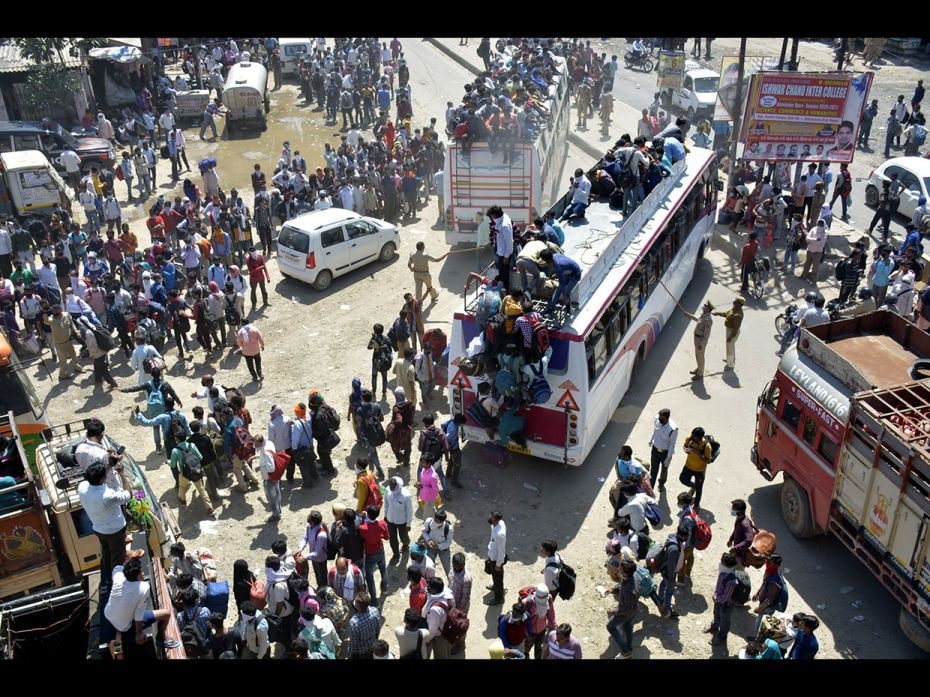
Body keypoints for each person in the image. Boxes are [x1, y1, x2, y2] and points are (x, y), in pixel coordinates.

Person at [76, 438, 132, 583]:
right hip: (114, 531)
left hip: (99, 529)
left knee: (106, 554)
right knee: (117, 559)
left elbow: (96, 477)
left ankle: (107, 578)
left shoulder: (82, 487)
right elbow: (128, 495)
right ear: (102, 478)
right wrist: (122, 474)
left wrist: (109, 465)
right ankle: (118, 583)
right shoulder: (107, 496)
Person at [104, 553, 173, 657]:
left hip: (109, 615)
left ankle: (118, 653)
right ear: (137, 575)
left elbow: (120, 567)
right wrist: (139, 633)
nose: (143, 572)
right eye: (141, 572)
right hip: (125, 625)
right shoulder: (143, 587)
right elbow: (138, 615)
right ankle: (162, 636)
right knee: (166, 613)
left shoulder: (117, 572)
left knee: (117, 635)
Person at [705, 552, 740, 647]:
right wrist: (716, 594)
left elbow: (726, 597)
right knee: (716, 614)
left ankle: (722, 636)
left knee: (724, 621)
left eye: (722, 561)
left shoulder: (731, 580)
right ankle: (714, 626)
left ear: (727, 565)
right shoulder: (723, 572)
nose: (720, 563)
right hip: (719, 600)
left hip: (726, 604)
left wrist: (716, 598)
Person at [606, 559, 638, 659]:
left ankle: (626, 651)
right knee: (627, 626)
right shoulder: (631, 577)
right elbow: (622, 584)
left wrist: (613, 611)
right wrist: (613, 589)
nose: (618, 568)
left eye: (620, 568)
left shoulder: (629, 590)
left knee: (610, 627)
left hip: (626, 612)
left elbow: (625, 609)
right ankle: (629, 647)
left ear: (625, 572)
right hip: (633, 609)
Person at [359, 505, 389, 606]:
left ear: (367, 514)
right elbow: (386, 537)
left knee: (369, 577)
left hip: (370, 554)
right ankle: (384, 587)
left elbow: (362, 534)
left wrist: (363, 519)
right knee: (383, 569)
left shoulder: (363, 528)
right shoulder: (382, 523)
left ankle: (374, 600)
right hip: (380, 550)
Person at [540, 248, 582, 316]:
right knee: (558, 291)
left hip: (575, 275)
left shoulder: (558, 267)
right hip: (567, 271)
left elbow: (562, 284)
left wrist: (565, 297)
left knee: (566, 291)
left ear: (547, 260)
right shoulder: (555, 255)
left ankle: (568, 308)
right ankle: (551, 309)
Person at [680, 427, 713, 509]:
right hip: (688, 466)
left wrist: (699, 454)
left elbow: (708, 461)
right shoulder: (690, 438)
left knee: (699, 489)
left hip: (700, 470)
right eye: (693, 435)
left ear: (701, 437)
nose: (693, 438)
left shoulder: (707, 446)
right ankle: (693, 486)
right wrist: (686, 449)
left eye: (695, 437)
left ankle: (696, 505)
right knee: (683, 480)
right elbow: (684, 446)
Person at [753, 553, 787, 632]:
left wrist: (760, 608)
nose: (767, 563)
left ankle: (757, 638)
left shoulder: (774, 582)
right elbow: (764, 583)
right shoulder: (769, 572)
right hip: (763, 603)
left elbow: (770, 599)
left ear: (776, 565)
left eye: (769, 562)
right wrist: (757, 593)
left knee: (762, 623)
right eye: (767, 561)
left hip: (768, 606)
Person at [712, 297, 745, 372]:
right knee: (730, 346)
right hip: (729, 330)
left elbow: (736, 328)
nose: (734, 302)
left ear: (739, 304)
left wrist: (731, 337)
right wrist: (718, 313)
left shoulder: (738, 315)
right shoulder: (734, 309)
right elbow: (726, 314)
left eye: (736, 301)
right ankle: (729, 359)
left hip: (732, 331)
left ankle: (730, 364)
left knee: (730, 347)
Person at [384, 476, 413, 559]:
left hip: (402, 521)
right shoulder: (387, 490)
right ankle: (396, 554)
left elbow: (409, 511)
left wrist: (408, 524)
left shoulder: (406, 496)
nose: (391, 488)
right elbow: (386, 503)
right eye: (390, 485)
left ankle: (405, 545)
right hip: (390, 519)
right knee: (392, 539)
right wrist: (386, 515)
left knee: (403, 536)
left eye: (393, 486)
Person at [684, 300, 714, 381]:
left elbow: (707, 334)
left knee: (700, 356)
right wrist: (689, 315)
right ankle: (699, 368)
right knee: (697, 355)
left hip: (700, 340)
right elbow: (697, 319)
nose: (704, 306)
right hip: (697, 338)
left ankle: (700, 374)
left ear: (708, 309)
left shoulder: (708, 319)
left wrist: (702, 344)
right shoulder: (704, 315)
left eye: (705, 305)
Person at [255, 434, 281, 521]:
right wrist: (255, 456)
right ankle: (279, 510)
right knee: (277, 493)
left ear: (260, 442)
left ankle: (275, 515)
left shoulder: (266, 452)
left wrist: (260, 468)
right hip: (275, 476)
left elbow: (271, 468)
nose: (255, 445)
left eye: (256, 443)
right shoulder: (269, 443)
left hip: (270, 478)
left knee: (271, 497)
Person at [348, 591, 381, 659]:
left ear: (357, 607)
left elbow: (353, 643)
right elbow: (378, 629)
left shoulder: (354, 622)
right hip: (372, 645)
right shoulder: (375, 611)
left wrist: (350, 655)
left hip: (361, 651)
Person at [422, 508, 453, 577]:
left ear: (442, 521)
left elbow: (448, 542)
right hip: (430, 548)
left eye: (437, 521)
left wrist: (438, 546)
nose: (434, 521)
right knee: (429, 566)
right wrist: (429, 540)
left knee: (447, 567)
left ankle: (451, 582)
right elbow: (424, 531)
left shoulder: (448, 528)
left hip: (443, 550)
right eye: (434, 518)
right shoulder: (429, 521)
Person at [485, 511, 507, 606]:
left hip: (496, 559)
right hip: (492, 554)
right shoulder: (495, 525)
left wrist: (498, 564)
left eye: (491, 516)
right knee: (494, 576)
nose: (489, 517)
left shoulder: (500, 534)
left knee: (498, 579)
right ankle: (495, 586)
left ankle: (499, 598)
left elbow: (501, 551)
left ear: (495, 519)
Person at [727, 499, 755, 566]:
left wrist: (735, 548)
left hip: (740, 555)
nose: (732, 509)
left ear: (739, 511)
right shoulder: (739, 518)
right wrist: (731, 539)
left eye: (733, 508)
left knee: (737, 570)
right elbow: (736, 530)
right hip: (736, 550)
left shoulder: (745, 524)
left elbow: (749, 540)